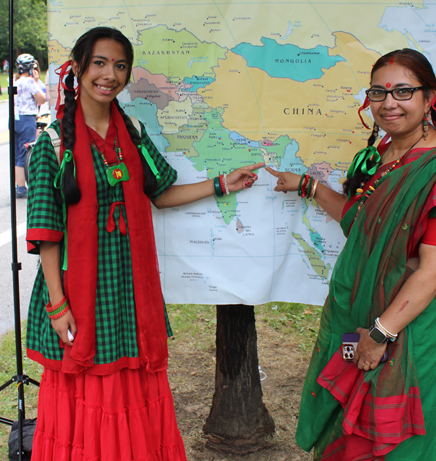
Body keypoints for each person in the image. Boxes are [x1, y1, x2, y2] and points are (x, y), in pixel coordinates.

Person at [26, 26, 264, 460]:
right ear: (77, 68)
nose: (109, 75)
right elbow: (47, 234)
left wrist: (220, 185)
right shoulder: (53, 143)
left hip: (129, 291)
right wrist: (57, 305)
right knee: (90, 384)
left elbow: (161, 193)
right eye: (99, 63)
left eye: (120, 66)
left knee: (131, 385)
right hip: (79, 294)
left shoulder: (131, 131)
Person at [266, 49, 436, 460]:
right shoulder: (381, 156)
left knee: (391, 440)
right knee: (346, 422)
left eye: (404, 91)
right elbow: (359, 222)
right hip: (358, 317)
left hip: (404, 329)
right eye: (378, 93)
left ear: (430, 99)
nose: (389, 103)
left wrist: (378, 335)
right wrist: (308, 186)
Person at [14, 53, 46, 198]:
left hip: (14, 118)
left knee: (16, 154)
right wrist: (37, 80)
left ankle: (18, 185)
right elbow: (42, 99)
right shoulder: (30, 82)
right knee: (25, 152)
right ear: (31, 68)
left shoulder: (13, 81)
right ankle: (22, 188)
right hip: (27, 118)